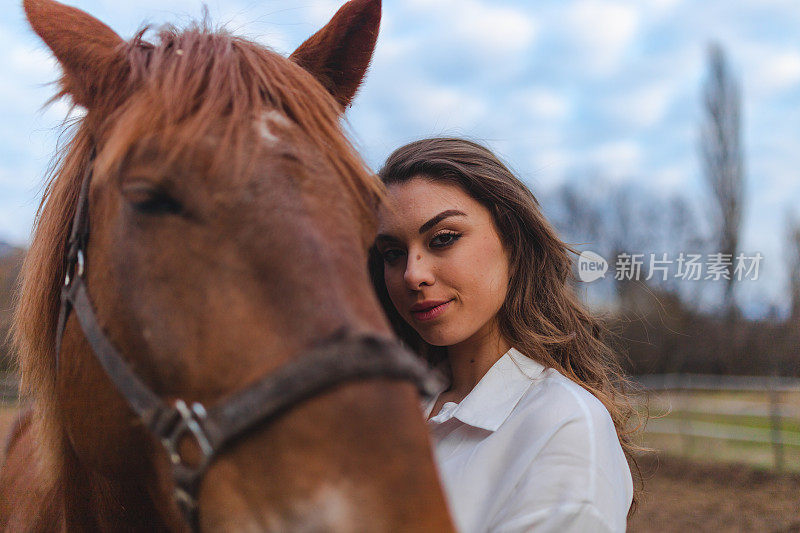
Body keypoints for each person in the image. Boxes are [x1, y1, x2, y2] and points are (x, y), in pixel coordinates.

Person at [368, 138, 643, 532]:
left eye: (443, 238)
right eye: (393, 253)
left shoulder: (562, 426)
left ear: (512, 242)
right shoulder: (395, 412)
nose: (413, 274)